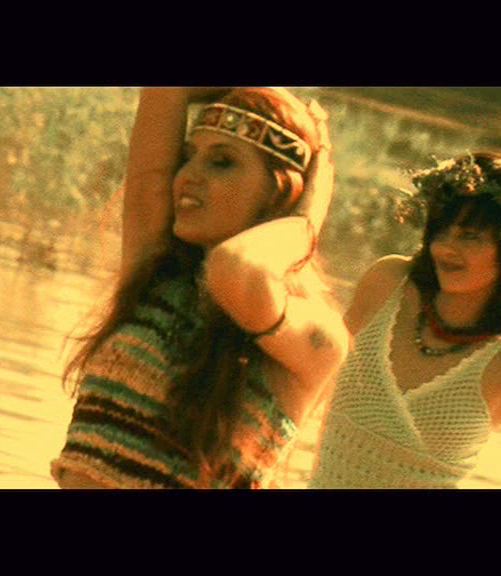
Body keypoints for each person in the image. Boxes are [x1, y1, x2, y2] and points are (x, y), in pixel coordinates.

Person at [51, 87, 349, 489]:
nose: (187, 176)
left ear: (284, 192)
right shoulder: (158, 275)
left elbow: (235, 271)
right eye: (189, 156)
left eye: (222, 162)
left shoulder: (317, 339)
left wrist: (305, 223)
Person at [308, 150, 501, 489]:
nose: (445, 248)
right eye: (441, 231)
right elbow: (309, 384)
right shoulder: (388, 284)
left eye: (469, 236)